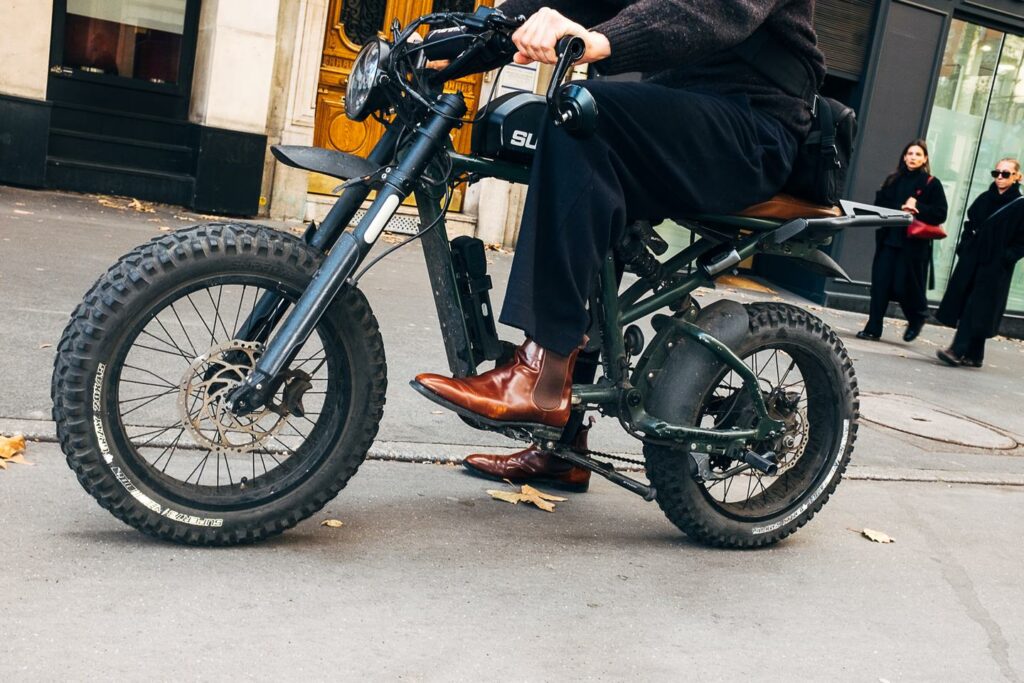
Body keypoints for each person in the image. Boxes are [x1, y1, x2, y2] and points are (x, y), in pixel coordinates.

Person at [414, 1, 826, 491]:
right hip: (684, 109)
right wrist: (454, 42)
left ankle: (541, 374)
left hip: (754, 124)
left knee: (584, 114)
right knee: (584, 157)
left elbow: (716, 8)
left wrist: (599, 41)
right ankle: (562, 446)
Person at [856, 140, 948, 343]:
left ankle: (917, 316)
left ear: (925, 159)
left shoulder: (931, 183)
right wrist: (902, 207)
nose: (913, 157)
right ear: (904, 157)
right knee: (880, 284)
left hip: (913, 245)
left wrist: (919, 208)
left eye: (917, 154)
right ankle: (873, 328)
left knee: (902, 286)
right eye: (909, 153)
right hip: (889, 241)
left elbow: (941, 213)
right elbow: (880, 204)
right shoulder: (893, 180)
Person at [935, 158, 1024, 368]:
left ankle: (957, 350)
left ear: (1017, 177)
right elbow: (970, 223)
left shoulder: (1020, 205)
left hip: (995, 266)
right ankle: (975, 355)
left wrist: (1006, 257)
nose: (1000, 178)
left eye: (1006, 174)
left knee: (975, 306)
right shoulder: (985, 198)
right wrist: (964, 247)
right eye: (997, 173)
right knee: (972, 303)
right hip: (972, 261)